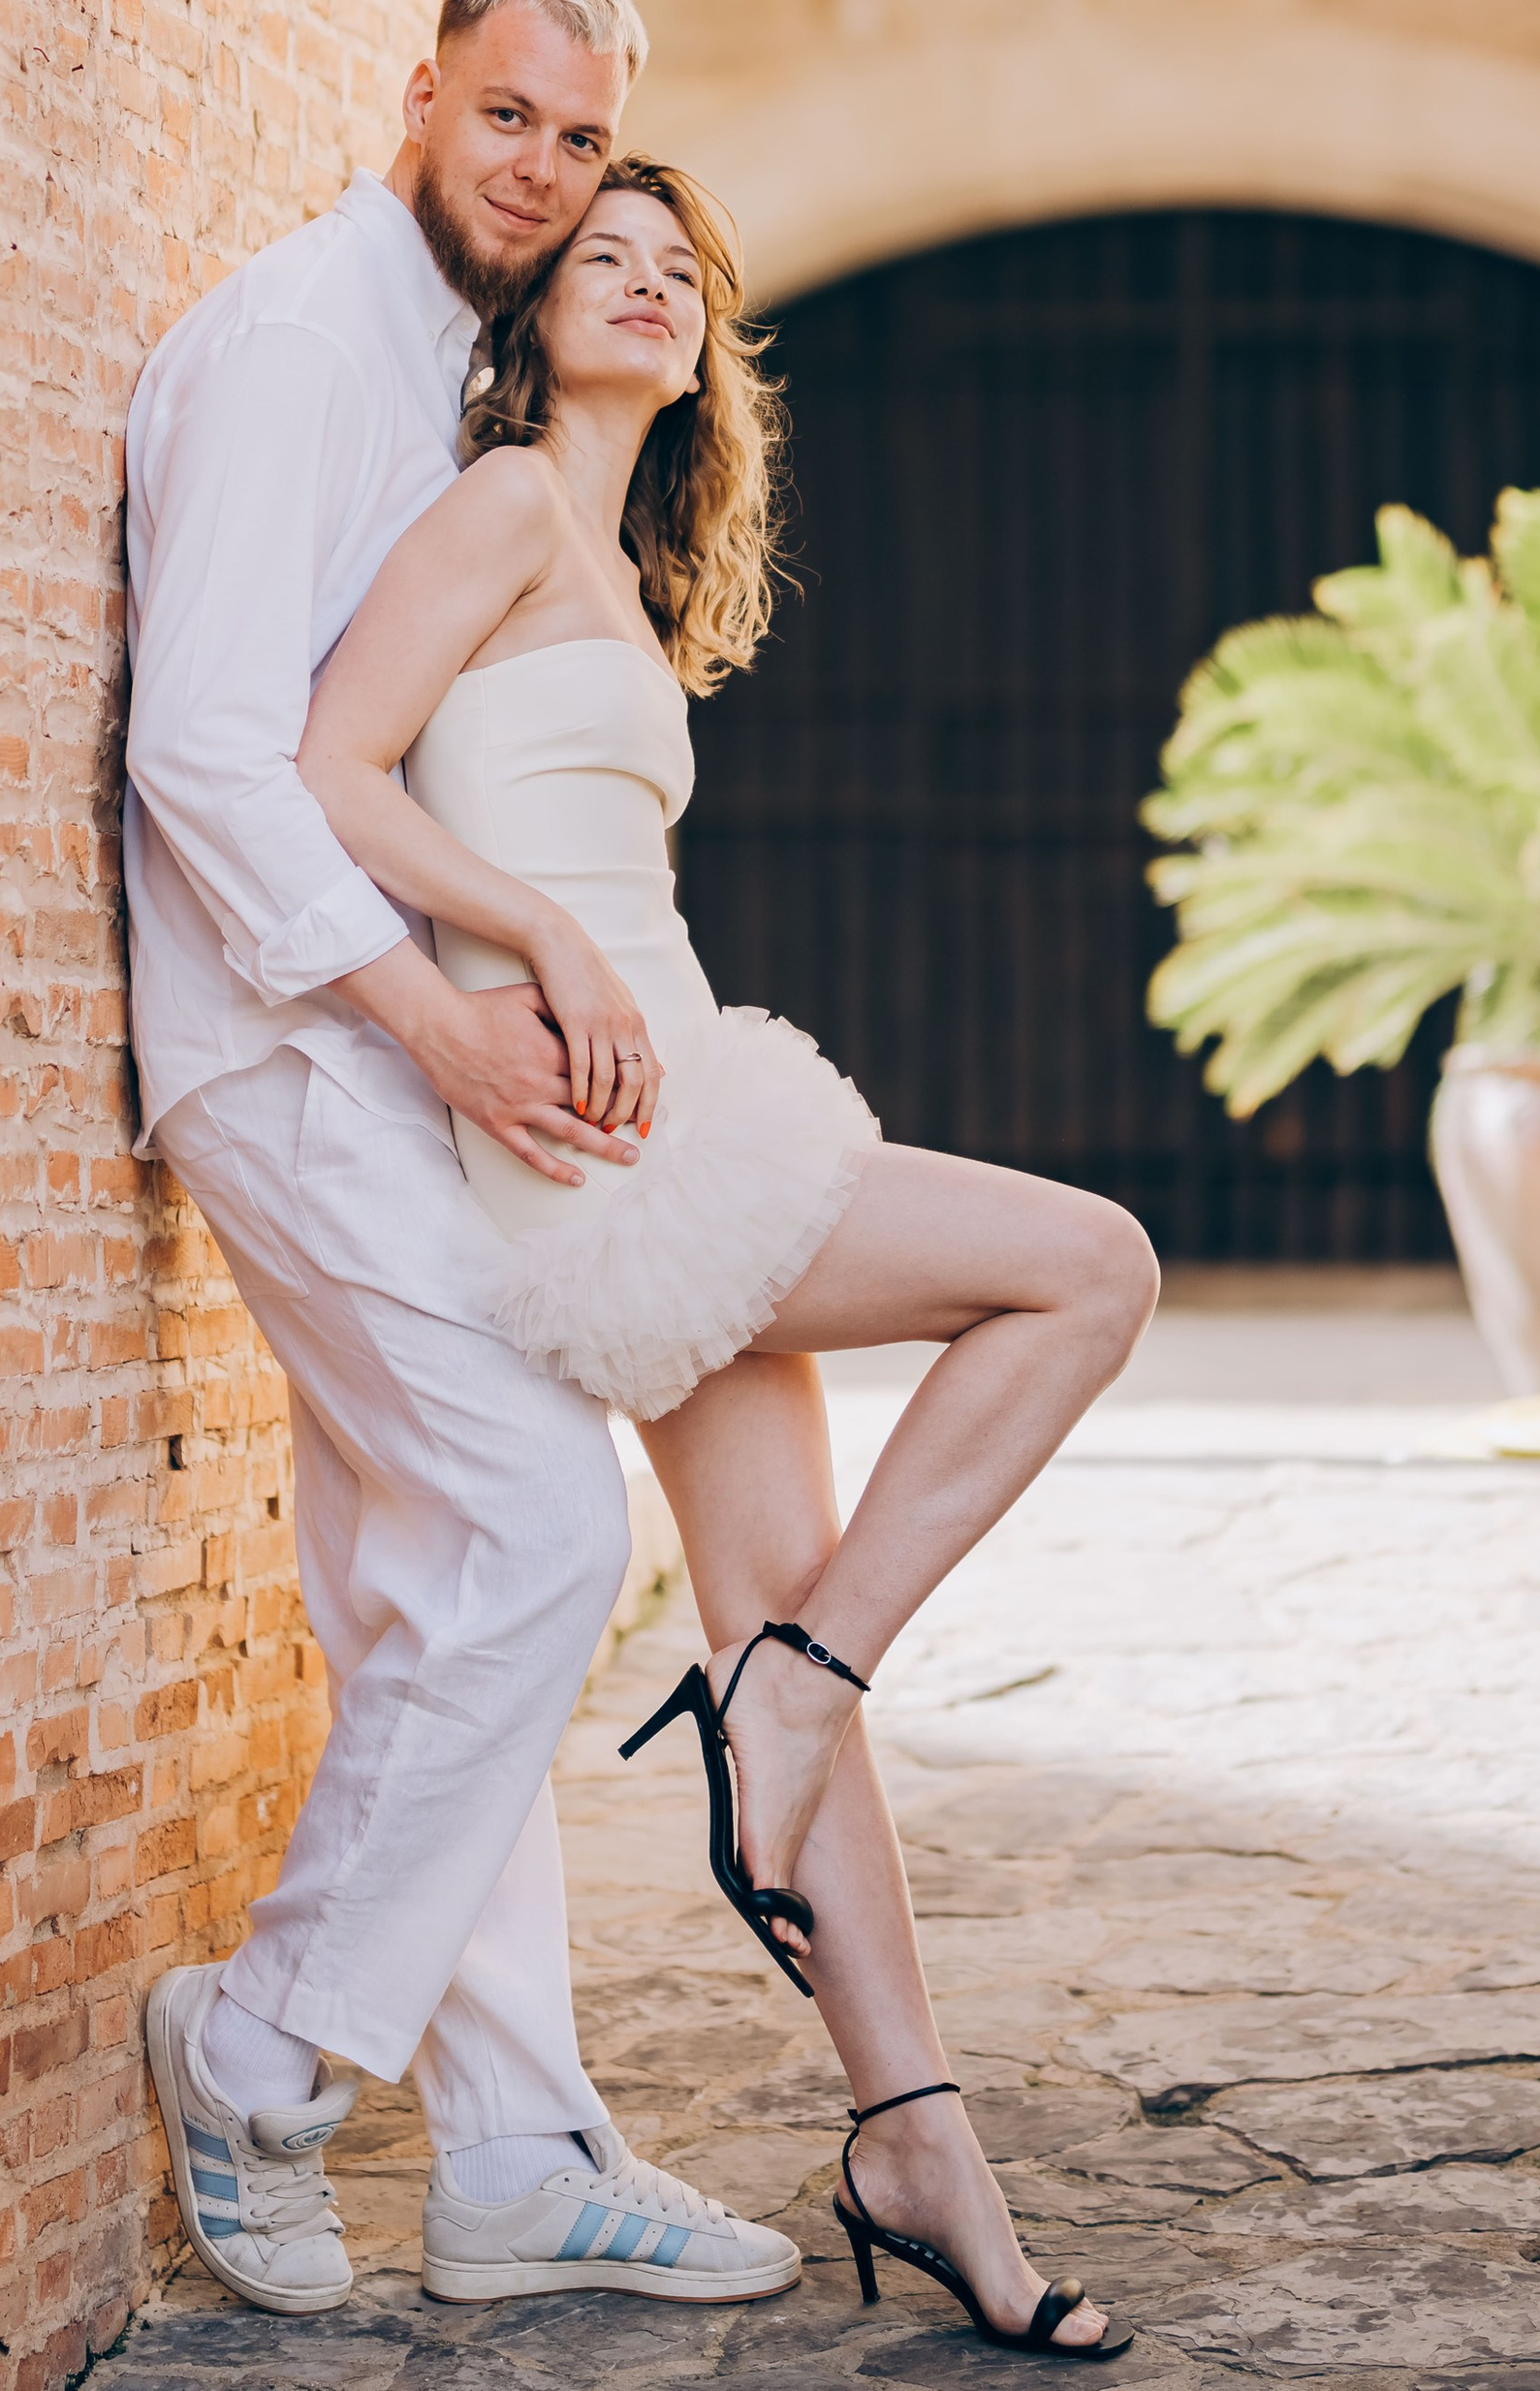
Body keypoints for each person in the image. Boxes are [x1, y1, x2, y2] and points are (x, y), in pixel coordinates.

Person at [297, 155, 1162, 2357]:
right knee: (1090, 1267)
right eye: (603, 257)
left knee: (792, 1631)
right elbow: (322, 771)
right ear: (528, 311)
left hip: (681, 1086)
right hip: (621, 1127)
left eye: (679, 272)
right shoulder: (498, 505)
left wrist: (578, 929)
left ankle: (915, 2143)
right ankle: (788, 1686)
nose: (649, 288)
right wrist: (537, 936)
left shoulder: (610, 556)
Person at [123, 0, 801, 2318]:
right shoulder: (310, 349)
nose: (539, 168)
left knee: (440, 1602)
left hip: (365, 1036)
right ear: (419, 97)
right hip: (283, 1042)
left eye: (580, 141)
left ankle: (513, 2153)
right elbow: (211, 748)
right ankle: (266, 2045)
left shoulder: (459, 367)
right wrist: (436, 1015)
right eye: (505, 119)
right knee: (529, 1526)